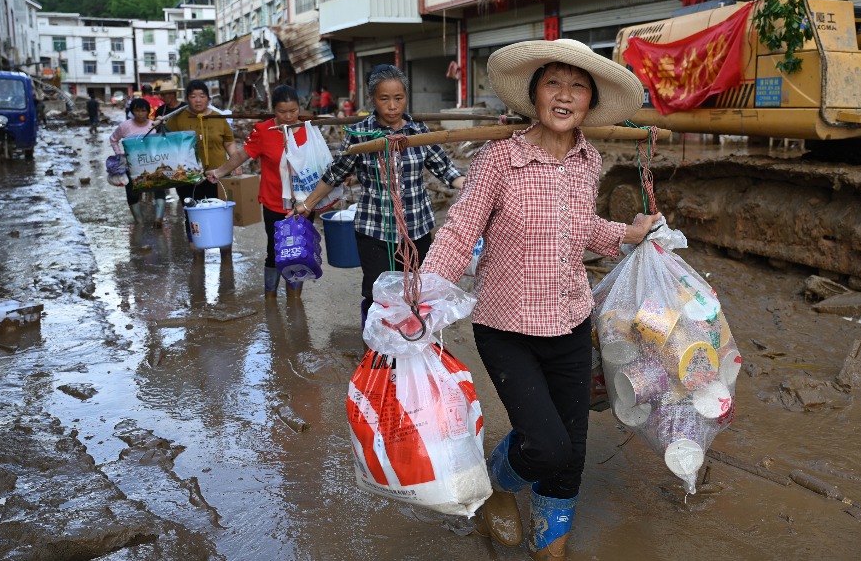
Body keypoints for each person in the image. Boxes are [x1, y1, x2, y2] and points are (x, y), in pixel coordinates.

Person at [418, 39, 660, 559]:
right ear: (534, 94)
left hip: (571, 324)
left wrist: (628, 233)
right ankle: (497, 486)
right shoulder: (499, 159)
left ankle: (549, 544)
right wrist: (424, 292)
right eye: (554, 82)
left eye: (578, 86)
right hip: (507, 329)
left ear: (590, 103)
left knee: (570, 453)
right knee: (546, 446)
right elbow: (461, 232)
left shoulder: (587, 161)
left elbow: (581, 227)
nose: (565, 95)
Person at [292, 65, 466, 325]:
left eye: (399, 98)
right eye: (384, 99)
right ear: (373, 99)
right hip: (374, 230)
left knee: (419, 294)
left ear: (406, 97)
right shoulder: (360, 134)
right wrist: (307, 204)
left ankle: (412, 352)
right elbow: (335, 174)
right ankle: (377, 355)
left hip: (416, 229)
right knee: (378, 297)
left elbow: (446, 169)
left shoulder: (418, 131)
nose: (393, 106)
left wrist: (471, 185)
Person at [205, 84, 310, 297]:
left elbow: (321, 165)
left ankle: (295, 299)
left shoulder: (311, 131)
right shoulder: (264, 131)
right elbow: (242, 155)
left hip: (304, 203)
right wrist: (219, 172)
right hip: (274, 202)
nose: (289, 116)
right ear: (274, 110)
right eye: (282, 112)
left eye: (293, 111)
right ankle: (270, 298)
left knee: (299, 252)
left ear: (300, 108)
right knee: (274, 251)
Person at [164, 80, 237, 253]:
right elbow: (166, 143)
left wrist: (235, 163)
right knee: (191, 212)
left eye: (202, 96)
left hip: (217, 174)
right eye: (193, 96)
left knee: (219, 210)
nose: (198, 100)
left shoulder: (219, 118)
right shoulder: (176, 119)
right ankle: (197, 250)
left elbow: (229, 142)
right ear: (187, 99)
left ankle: (224, 248)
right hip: (187, 177)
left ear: (208, 98)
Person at [110, 97, 165, 225]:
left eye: (143, 111)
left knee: (160, 188)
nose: (140, 114)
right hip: (132, 165)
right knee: (132, 192)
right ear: (132, 111)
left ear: (148, 112)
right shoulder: (125, 126)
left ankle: (158, 219)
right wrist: (120, 155)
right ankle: (139, 221)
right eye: (137, 111)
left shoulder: (154, 125)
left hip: (152, 164)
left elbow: (160, 144)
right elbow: (113, 139)